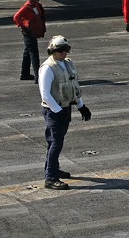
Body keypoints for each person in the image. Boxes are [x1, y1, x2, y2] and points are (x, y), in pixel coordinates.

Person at [38, 35, 91, 190]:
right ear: (52, 51)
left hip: (65, 108)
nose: (63, 53)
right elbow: (45, 93)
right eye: (59, 50)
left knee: (55, 142)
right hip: (53, 110)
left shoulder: (67, 64)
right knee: (56, 142)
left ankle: (53, 168)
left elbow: (74, 85)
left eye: (65, 50)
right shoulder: (48, 67)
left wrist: (81, 106)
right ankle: (50, 178)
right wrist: (57, 110)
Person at [14, 0, 47, 82]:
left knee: (27, 53)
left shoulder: (36, 5)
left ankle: (24, 74)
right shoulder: (27, 7)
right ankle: (38, 77)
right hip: (29, 33)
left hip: (33, 33)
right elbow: (16, 17)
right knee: (34, 54)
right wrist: (24, 28)